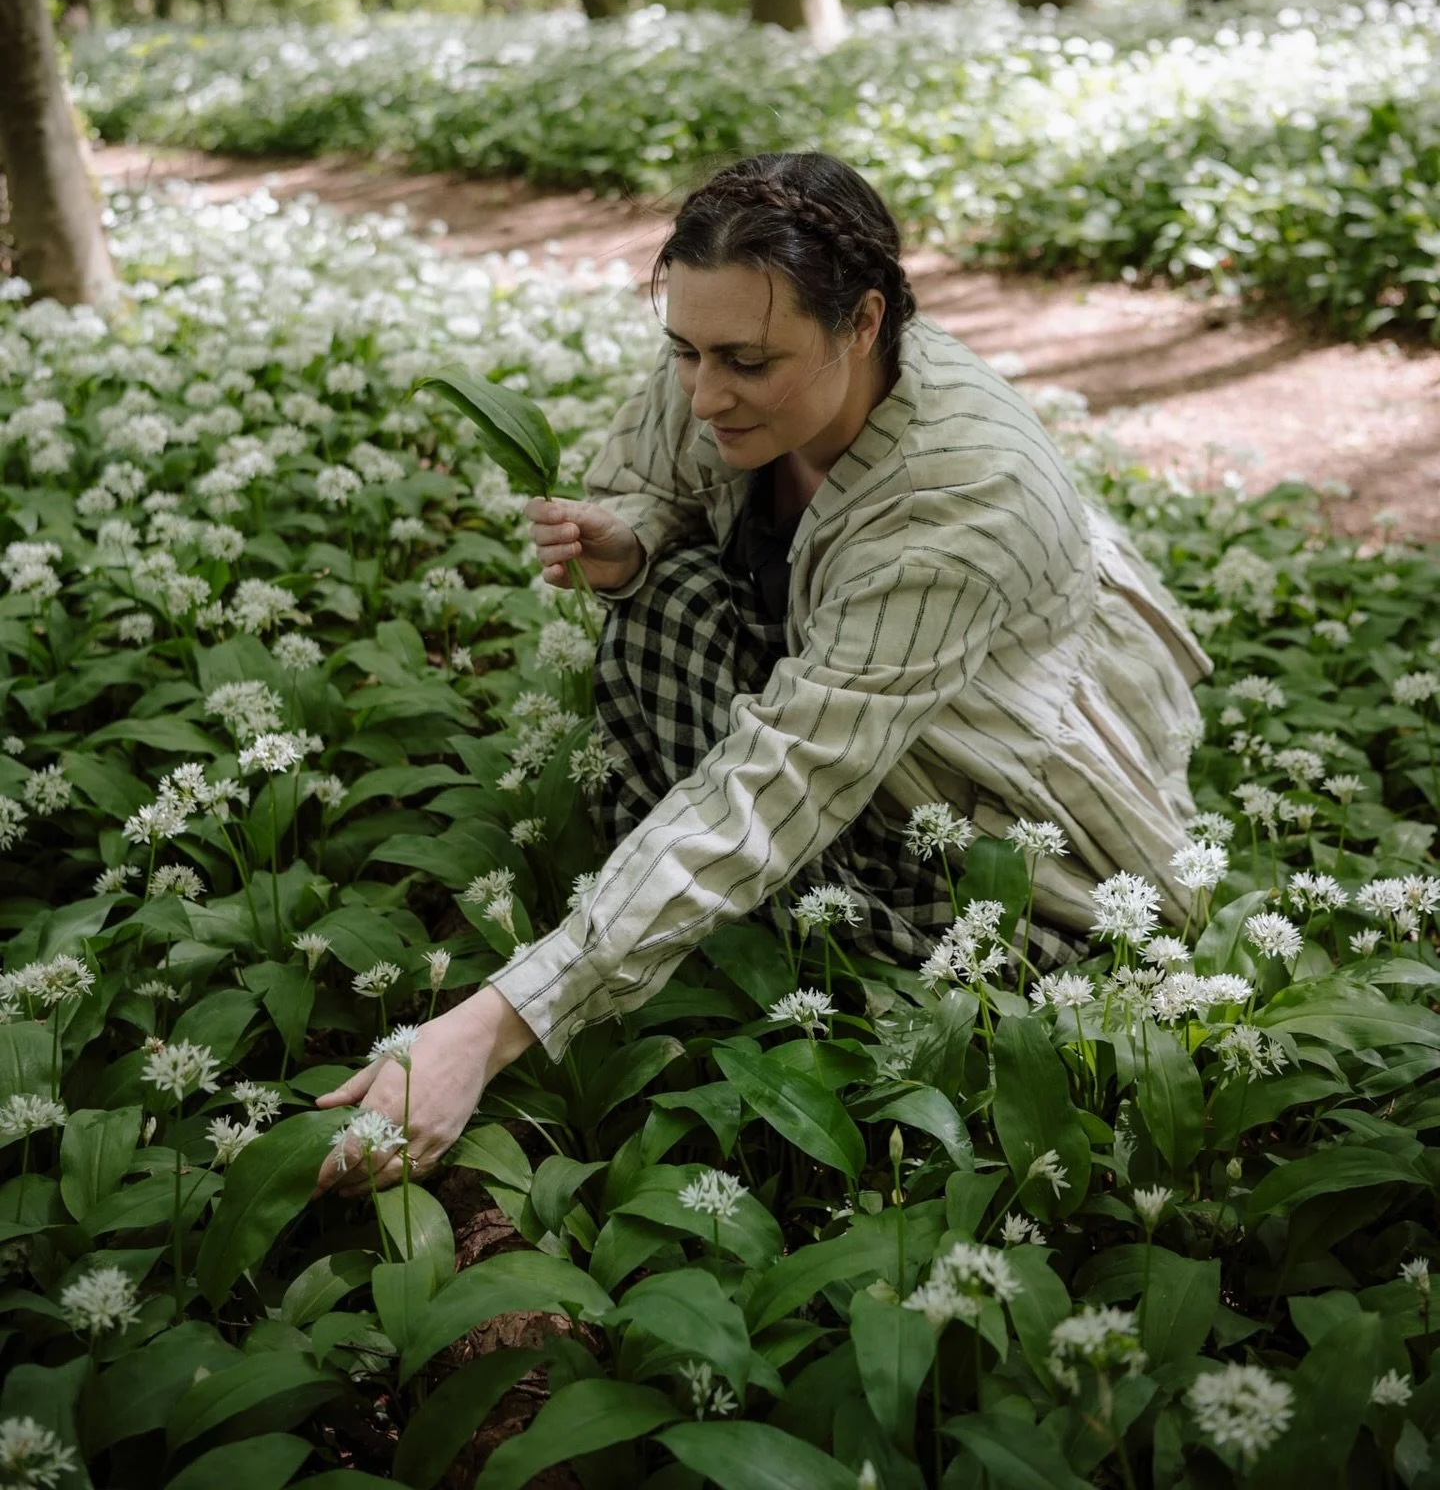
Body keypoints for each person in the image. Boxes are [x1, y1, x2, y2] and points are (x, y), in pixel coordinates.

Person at [314, 152, 1209, 1196]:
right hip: (842, 721)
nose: (703, 394)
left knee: (889, 934)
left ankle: (819, 976)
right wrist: (632, 540)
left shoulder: (965, 499)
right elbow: (655, 479)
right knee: (664, 608)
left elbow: (783, 777)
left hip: (1012, 836)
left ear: (864, 322)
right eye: (684, 352)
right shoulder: (734, 352)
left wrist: (494, 1022)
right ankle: (683, 919)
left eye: (743, 362)